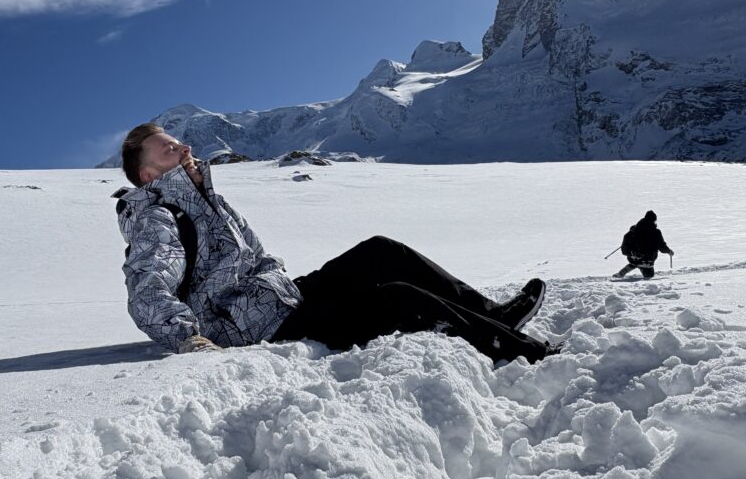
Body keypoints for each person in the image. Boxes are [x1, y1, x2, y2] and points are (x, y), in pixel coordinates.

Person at [113, 123, 558, 364]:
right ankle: (512, 350)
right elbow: (147, 291)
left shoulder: (211, 201)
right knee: (398, 299)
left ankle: (489, 315)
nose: (184, 147)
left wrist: (277, 282)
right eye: (169, 149)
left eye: (177, 141)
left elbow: (259, 254)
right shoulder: (156, 216)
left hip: (284, 298)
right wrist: (189, 340)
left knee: (382, 251)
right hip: (258, 329)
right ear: (149, 174)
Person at [613, 210, 674, 280]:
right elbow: (662, 246)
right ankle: (643, 280)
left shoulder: (633, 231)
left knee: (635, 263)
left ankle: (620, 274)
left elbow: (624, 248)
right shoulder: (656, 232)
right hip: (647, 261)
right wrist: (669, 251)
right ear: (654, 220)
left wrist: (632, 254)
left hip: (634, 258)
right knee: (649, 276)